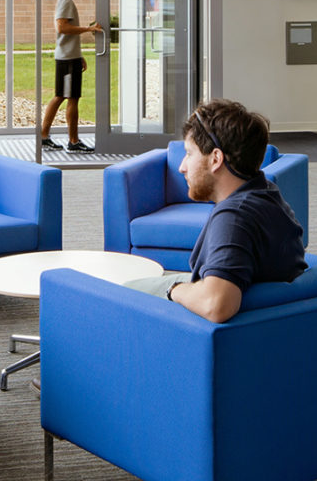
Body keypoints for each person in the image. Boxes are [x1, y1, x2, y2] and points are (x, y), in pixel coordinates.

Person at [125, 99, 306, 323]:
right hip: (266, 320)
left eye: (189, 154)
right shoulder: (266, 194)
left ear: (216, 159)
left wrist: (174, 289)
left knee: (118, 294)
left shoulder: (234, 218)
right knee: (131, 284)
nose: (182, 166)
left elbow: (216, 305)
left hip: (211, 331)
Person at [38, 0, 102, 151]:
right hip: (66, 59)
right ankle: (73, 141)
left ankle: (44, 135)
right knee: (69, 97)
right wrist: (89, 29)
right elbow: (62, 27)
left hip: (69, 56)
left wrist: (79, 55)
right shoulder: (65, 0)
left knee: (61, 96)